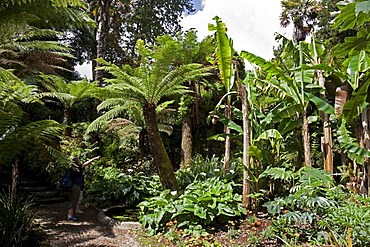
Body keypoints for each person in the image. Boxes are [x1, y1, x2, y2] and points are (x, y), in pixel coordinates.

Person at [67, 156, 100, 221]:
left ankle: (70, 214)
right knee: (74, 200)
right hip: (76, 186)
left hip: (71, 185)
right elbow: (86, 163)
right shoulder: (77, 167)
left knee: (72, 200)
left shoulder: (72, 168)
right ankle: (70, 215)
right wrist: (94, 158)